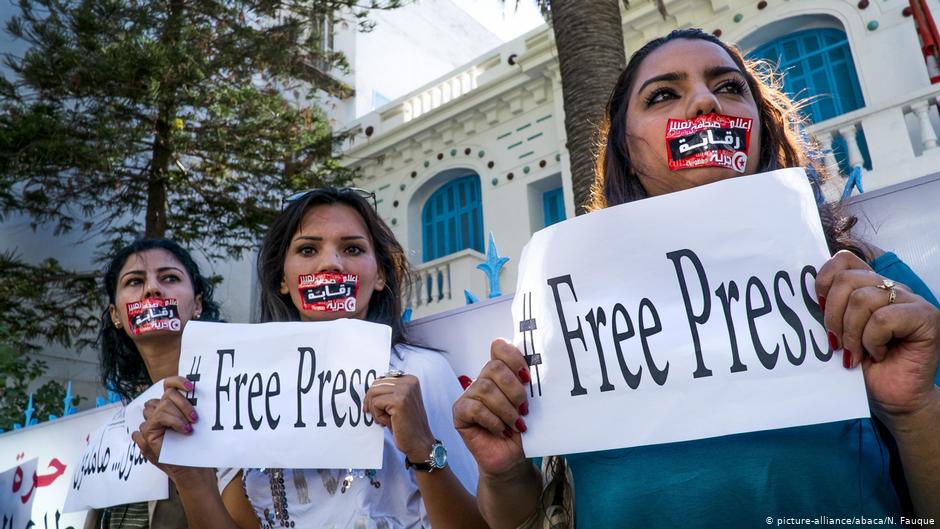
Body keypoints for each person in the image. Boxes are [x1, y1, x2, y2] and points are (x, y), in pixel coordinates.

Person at [452, 28, 940, 528]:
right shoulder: (571, 316)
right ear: (627, 151)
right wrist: (504, 470)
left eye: (729, 87)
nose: (706, 102)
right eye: (663, 94)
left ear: (759, 129)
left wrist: (914, 408)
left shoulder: (870, 285)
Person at [133, 188, 487, 529]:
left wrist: (424, 450)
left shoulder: (420, 372)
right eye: (307, 249)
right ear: (282, 280)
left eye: (351, 248)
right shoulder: (237, 390)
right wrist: (190, 478)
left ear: (379, 274)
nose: (330, 264)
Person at [89, 238, 222, 529]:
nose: (152, 289)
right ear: (116, 316)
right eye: (135, 281)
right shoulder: (108, 436)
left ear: (197, 304)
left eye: (170, 278)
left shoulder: (237, 404)